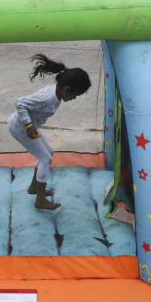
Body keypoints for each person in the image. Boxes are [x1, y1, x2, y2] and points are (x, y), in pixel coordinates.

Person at [8, 54, 92, 210]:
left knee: (48, 152)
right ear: (67, 90)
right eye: (75, 95)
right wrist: (28, 126)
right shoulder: (48, 98)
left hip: (29, 126)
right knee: (45, 158)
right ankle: (40, 200)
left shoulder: (56, 93)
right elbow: (20, 103)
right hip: (20, 128)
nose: (74, 99)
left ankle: (34, 187)